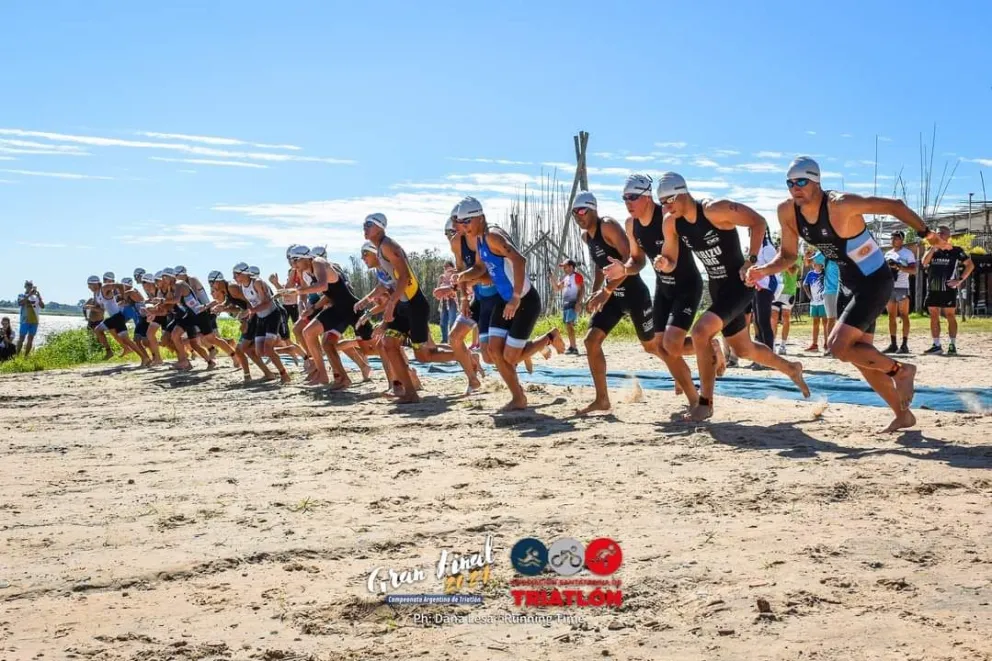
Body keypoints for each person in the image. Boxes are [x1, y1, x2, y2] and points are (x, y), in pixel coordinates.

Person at [749, 156, 933, 432]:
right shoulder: (787, 212)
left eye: (801, 182)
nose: (795, 188)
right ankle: (902, 414)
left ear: (817, 182)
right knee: (863, 358)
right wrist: (763, 270)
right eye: (790, 183)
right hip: (850, 284)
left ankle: (901, 371)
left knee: (838, 346)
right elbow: (787, 256)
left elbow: (894, 206)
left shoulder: (840, 204)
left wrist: (926, 234)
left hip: (874, 280)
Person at [655, 172, 810, 422]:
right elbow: (671, 260)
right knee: (744, 349)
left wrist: (750, 260)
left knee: (700, 332)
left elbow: (758, 222)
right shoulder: (671, 222)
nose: (666, 206)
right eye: (662, 202)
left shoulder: (716, 210)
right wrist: (663, 263)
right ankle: (791, 368)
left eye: (669, 200)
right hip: (718, 287)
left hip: (739, 285)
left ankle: (705, 403)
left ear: (683, 192)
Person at [455, 196, 565, 411]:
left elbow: (520, 260)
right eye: (460, 222)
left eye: (467, 221)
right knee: (492, 354)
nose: (463, 227)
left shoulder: (493, 236)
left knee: (509, 356)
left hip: (524, 301)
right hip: (506, 301)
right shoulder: (478, 239)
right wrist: (463, 276)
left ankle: (549, 338)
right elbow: (480, 269)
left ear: (480, 218)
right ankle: (519, 398)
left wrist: (515, 297)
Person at [362, 212, 478, 403]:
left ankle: (465, 357)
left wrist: (390, 305)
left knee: (423, 355)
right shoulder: (381, 249)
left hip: (414, 305)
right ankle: (409, 392)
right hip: (404, 304)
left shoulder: (388, 246)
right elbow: (390, 283)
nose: (364, 228)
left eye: (369, 224)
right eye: (364, 224)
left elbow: (405, 278)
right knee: (389, 344)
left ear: (380, 227)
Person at [569, 190, 659, 414]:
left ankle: (702, 350)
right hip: (612, 298)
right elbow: (602, 267)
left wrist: (606, 290)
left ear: (594, 210)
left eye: (582, 211)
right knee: (591, 341)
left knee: (653, 346)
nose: (578, 216)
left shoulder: (607, 225)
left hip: (634, 293)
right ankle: (602, 399)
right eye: (574, 213)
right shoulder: (586, 237)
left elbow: (631, 259)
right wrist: (596, 292)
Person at [232, 262, 291, 384]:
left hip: (272, 315)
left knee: (268, 349)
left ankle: (284, 375)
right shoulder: (243, 287)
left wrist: (249, 311)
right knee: (260, 352)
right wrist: (246, 319)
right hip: (261, 317)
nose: (234, 278)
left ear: (244, 274)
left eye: (236, 275)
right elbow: (253, 305)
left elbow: (267, 303)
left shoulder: (257, 283)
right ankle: (287, 350)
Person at [921, 225, 974, 356]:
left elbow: (970, 265)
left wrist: (960, 280)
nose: (938, 236)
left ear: (948, 236)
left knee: (950, 315)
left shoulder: (956, 250)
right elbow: (924, 262)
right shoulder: (932, 249)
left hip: (948, 288)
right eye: (937, 233)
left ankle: (952, 345)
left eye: (941, 233)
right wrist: (933, 247)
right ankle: (936, 345)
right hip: (933, 288)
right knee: (933, 315)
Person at [883, 230, 918, 354]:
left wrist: (899, 267)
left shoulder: (908, 253)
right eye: (892, 238)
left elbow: (914, 271)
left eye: (896, 238)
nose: (893, 240)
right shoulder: (887, 254)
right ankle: (893, 344)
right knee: (891, 316)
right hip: (889, 286)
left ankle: (904, 344)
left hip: (902, 286)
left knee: (904, 315)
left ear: (902, 240)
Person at [549, 260, 584, 354]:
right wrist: (552, 278)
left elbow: (582, 290)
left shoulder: (577, 276)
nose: (564, 269)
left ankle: (574, 347)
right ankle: (572, 347)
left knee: (569, 324)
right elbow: (557, 288)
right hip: (566, 304)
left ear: (572, 267)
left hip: (573, 303)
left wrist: (578, 303)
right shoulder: (566, 278)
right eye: (563, 267)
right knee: (568, 326)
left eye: (566, 267)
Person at [771, 256, 800, 355]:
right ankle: (773, 344)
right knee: (773, 318)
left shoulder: (796, 257)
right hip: (776, 291)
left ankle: (783, 345)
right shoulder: (775, 256)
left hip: (788, 292)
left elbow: (793, 272)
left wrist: (782, 264)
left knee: (785, 317)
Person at [803, 259, 827, 352]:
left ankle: (826, 343)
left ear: (822, 265)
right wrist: (809, 296)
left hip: (823, 302)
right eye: (814, 263)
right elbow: (805, 284)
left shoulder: (824, 274)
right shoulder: (810, 274)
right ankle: (814, 344)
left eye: (818, 263)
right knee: (815, 323)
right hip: (814, 302)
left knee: (825, 323)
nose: (815, 264)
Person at [16, 280, 43, 357]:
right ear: (25, 286)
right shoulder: (21, 295)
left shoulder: (36, 297)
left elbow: (42, 306)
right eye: (28, 285)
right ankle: (17, 355)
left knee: (30, 339)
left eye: (31, 286)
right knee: (21, 338)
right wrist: (29, 295)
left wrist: (39, 297)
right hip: (24, 320)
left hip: (35, 321)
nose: (29, 287)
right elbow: (20, 303)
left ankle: (26, 356)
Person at [434, 261, 459, 344]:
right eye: (444, 267)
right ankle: (444, 340)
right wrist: (440, 293)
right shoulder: (441, 277)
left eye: (447, 266)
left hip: (452, 300)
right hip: (443, 301)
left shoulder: (454, 276)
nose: (445, 268)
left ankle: (452, 340)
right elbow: (437, 289)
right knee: (443, 322)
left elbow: (457, 288)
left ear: (452, 266)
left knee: (452, 320)